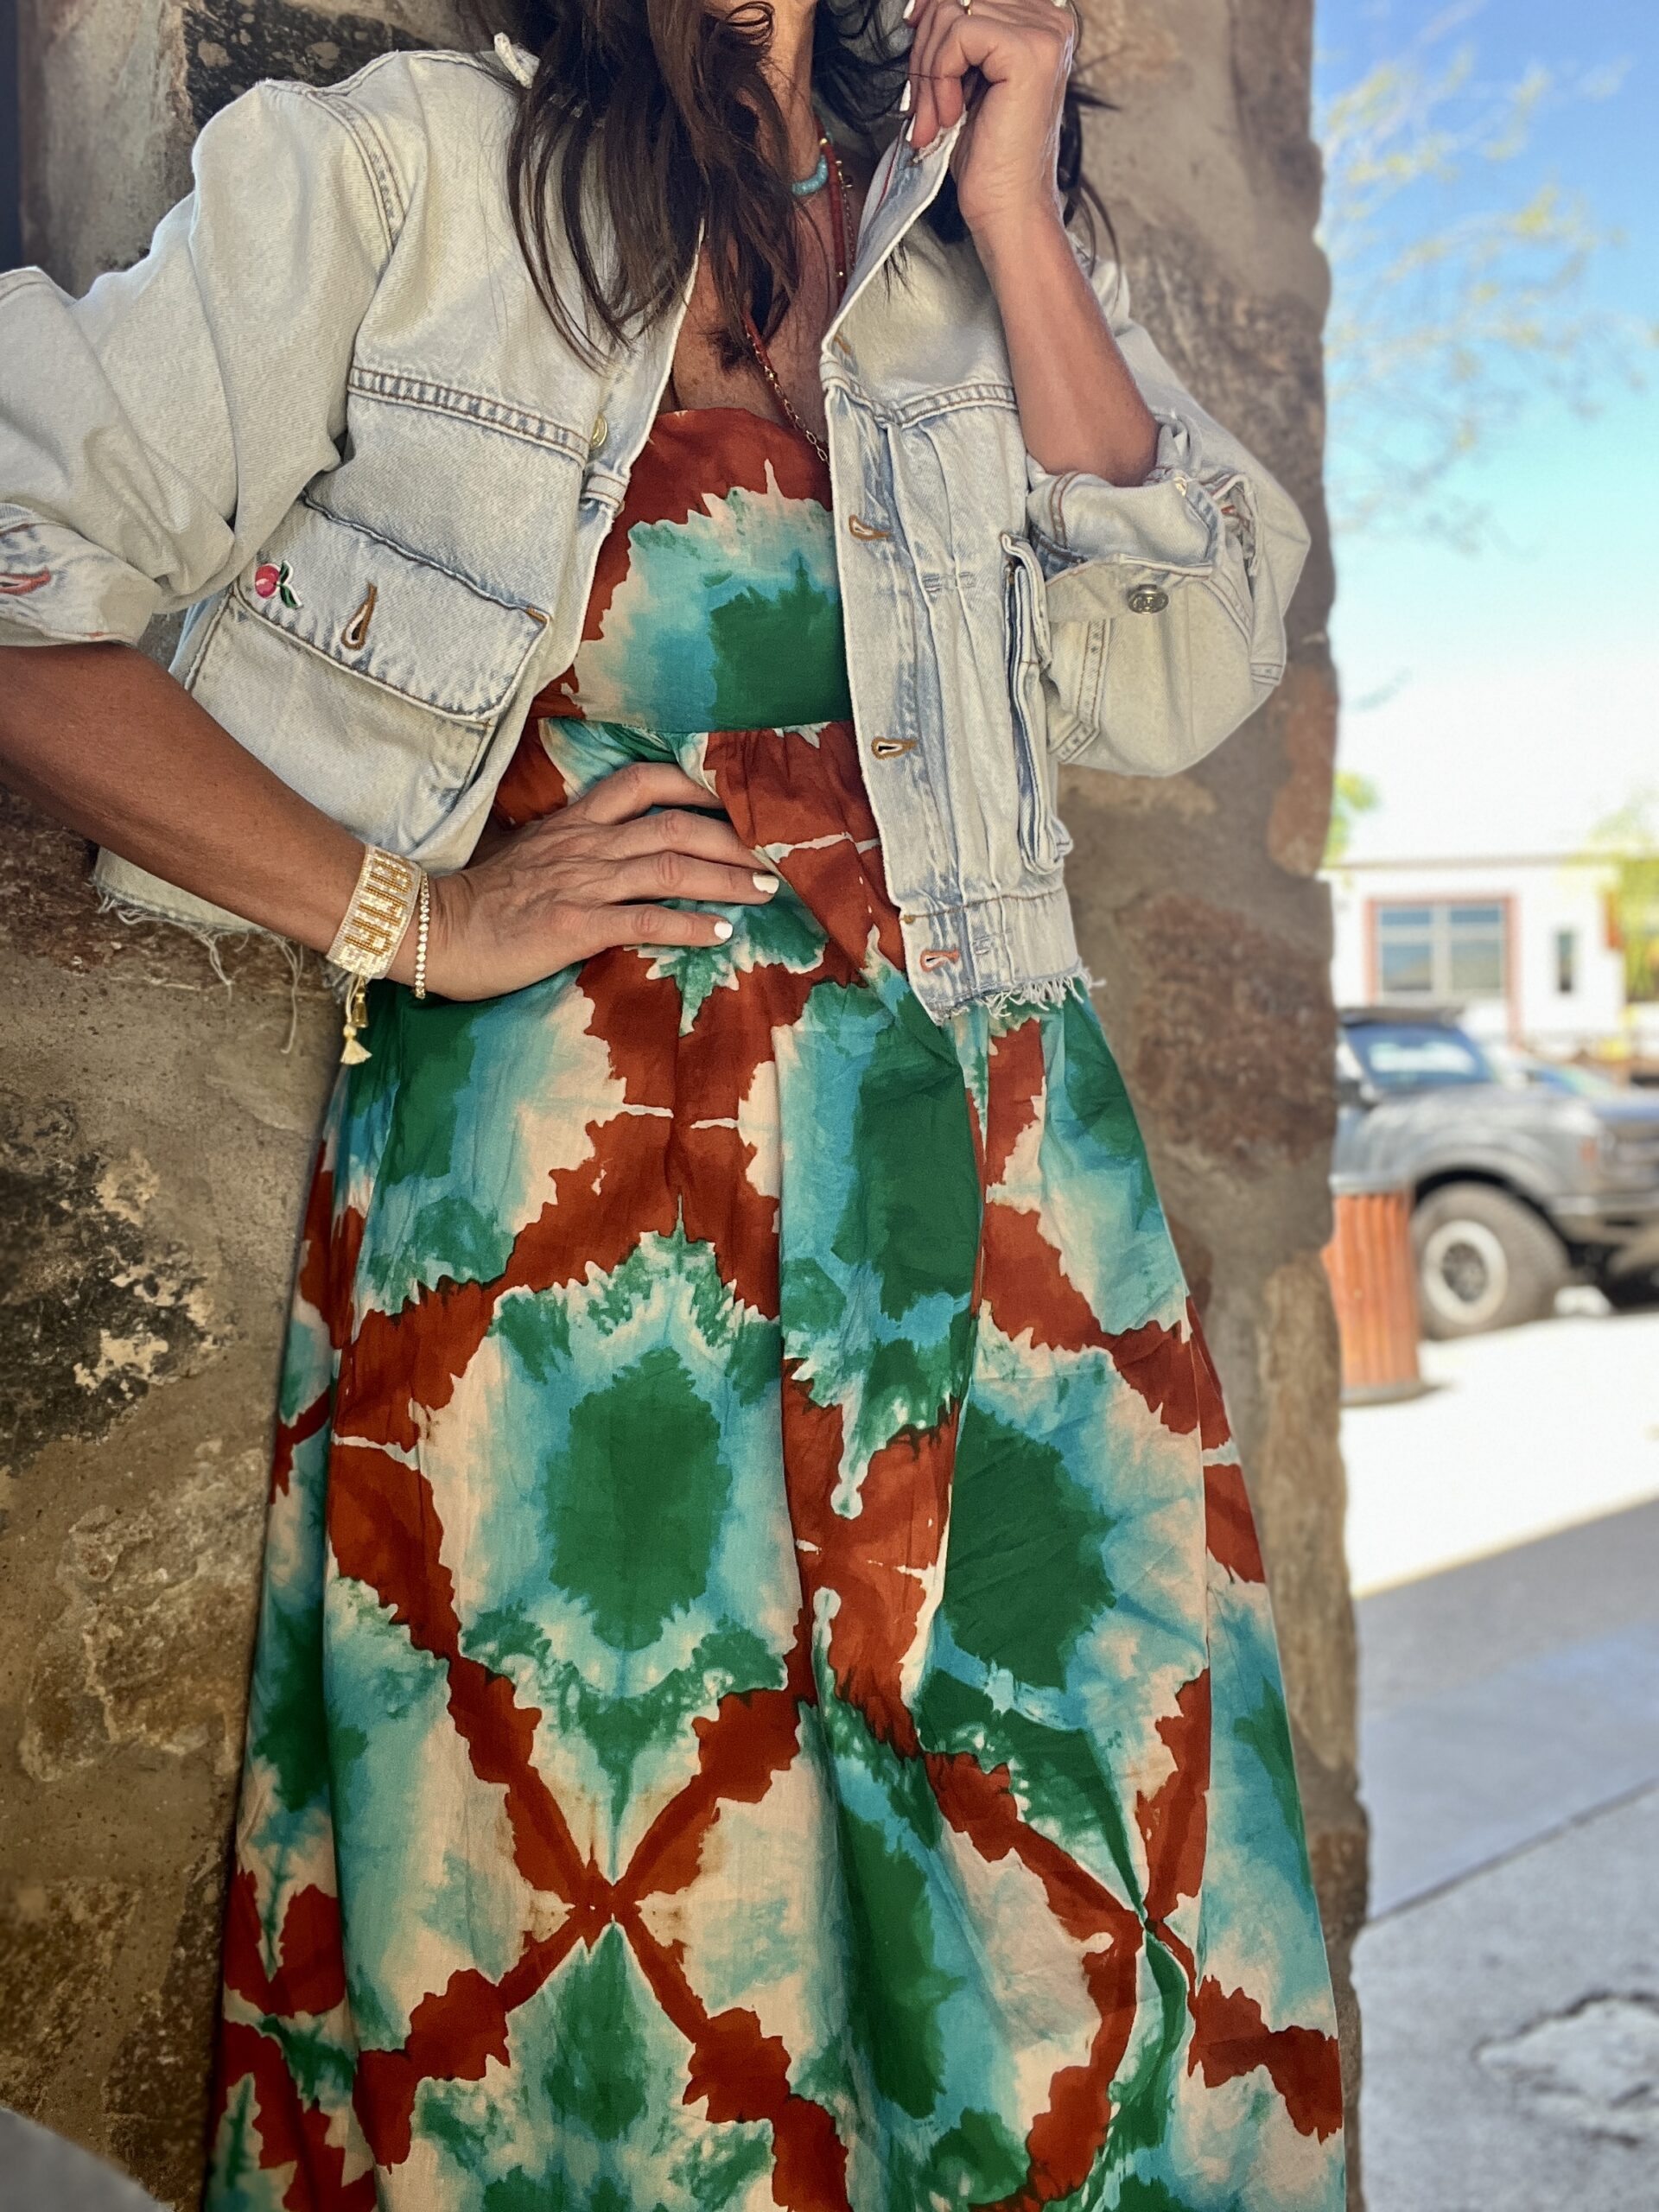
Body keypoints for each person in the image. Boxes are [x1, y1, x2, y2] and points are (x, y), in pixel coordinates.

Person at [0, 0, 1345, 2204]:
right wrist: (410, 917)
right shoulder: (411, 170)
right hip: (570, 1241)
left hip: (999, 1212)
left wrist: (1013, 217)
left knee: (1088, 1953)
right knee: (601, 1975)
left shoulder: (937, 253)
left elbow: (1202, 645)